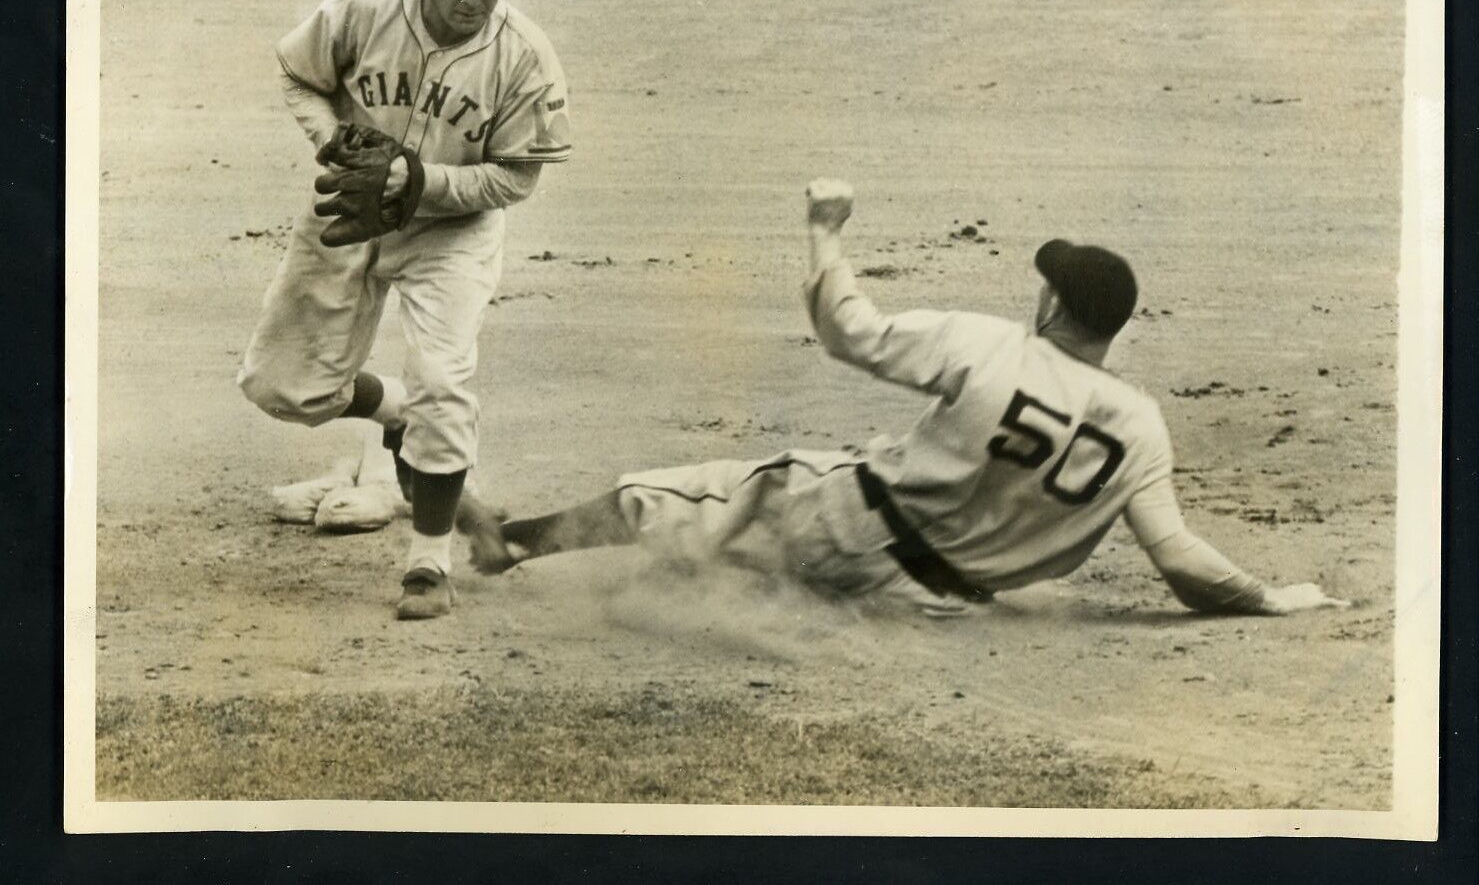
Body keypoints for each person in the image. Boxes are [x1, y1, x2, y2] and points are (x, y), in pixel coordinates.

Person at [459, 179, 1349, 620]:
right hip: (936, 606)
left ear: (1051, 304)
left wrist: (823, 233)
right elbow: (1180, 560)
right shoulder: (1143, 430)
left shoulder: (993, 345)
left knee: (661, 496)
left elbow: (849, 333)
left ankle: (509, 545)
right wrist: (1267, 598)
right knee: (721, 559)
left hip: (843, 525)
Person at [238, 0, 572, 621]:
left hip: (452, 233)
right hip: (350, 211)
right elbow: (299, 76)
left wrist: (422, 182)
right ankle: (396, 413)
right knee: (281, 388)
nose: (476, 0)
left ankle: (429, 563)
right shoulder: (362, 7)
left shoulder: (522, 56)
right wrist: (332, 142)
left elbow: (516, 176)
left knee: (445, 383)